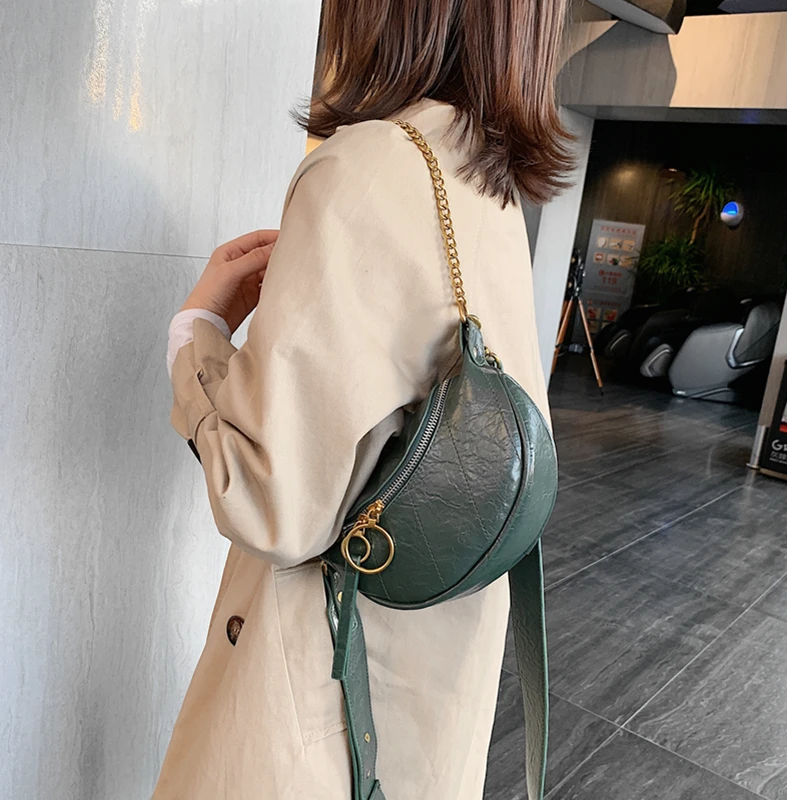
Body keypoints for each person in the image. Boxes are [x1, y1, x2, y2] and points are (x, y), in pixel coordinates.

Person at [153, 0, 572, 797]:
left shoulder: (368, 165)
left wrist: (195, 333)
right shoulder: (491, 179)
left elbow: (269, 502)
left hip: (323, 704)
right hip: (430, 690)